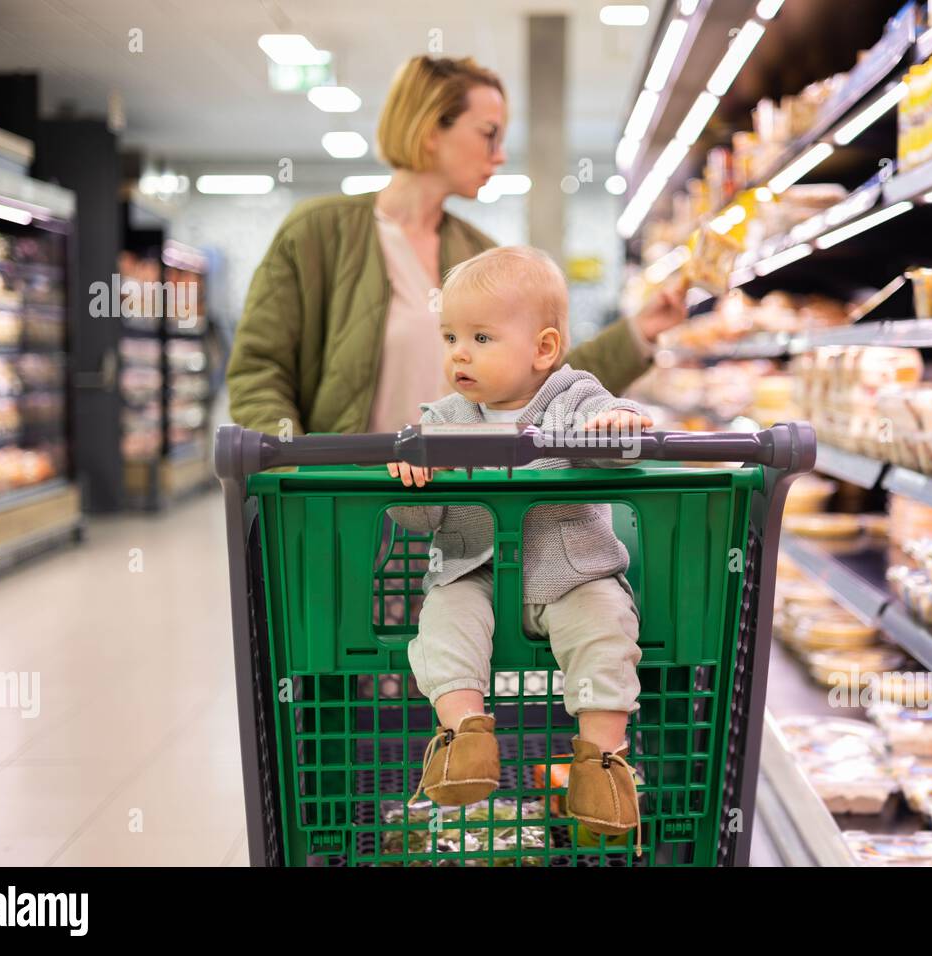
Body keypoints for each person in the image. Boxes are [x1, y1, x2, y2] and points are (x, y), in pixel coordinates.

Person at [226, 54, 686, 438]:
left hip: (462, 513)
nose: (500, 155)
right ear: (431, 130)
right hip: (350, 504)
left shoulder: (477, 253)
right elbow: (259, 371)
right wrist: (295, 470)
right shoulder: (317, 233)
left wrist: (638, 331)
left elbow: (542, 375)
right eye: (489, 134)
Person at [386, 246, 648, 853]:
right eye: (450, 335)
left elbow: (624, 434)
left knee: (608, 627)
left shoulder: (574, 396)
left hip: (573, 573)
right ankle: (465, 738)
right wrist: (406, 471)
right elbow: (420, 518)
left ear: (544, 349)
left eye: (481, 336)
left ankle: (602, 763)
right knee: (441, 619)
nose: (459, 352)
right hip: (474, 574)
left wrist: (618, 425)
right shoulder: (443, 418)